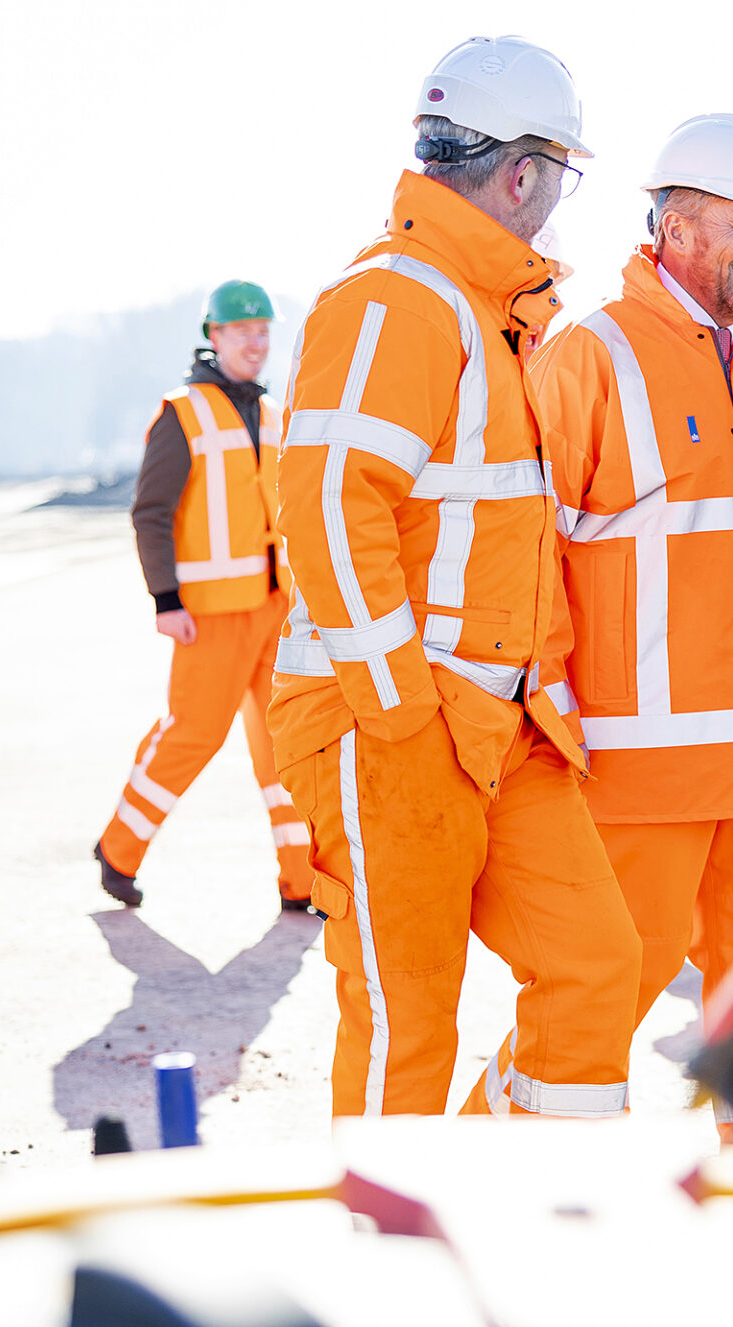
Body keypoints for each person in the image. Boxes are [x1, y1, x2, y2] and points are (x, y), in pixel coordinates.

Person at [267, 36, 641, 1119]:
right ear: (521, 173)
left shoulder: (495, 316)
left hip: (497, 722)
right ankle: (387, 1278)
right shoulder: (397, 300)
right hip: (390, 720)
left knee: (594, 968)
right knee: (406, 1016)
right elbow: (332, 507)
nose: (559, 197)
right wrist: (398, 712)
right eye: (561, 172)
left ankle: (517, 1222)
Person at [487, 113, 733, 1146]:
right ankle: (470, 1186)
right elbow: (524, 556)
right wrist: (552, 721)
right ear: (675, 224)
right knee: (589, 1021)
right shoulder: (591, 355)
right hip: (639, 775)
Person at [95, 280, 311, 912]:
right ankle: (118, 850)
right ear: (214, 338)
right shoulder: (180, 413)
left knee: (288, 745)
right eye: (243, 331)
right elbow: (151, 512)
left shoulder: (275, 416)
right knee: (192, 736)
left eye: (265, 330)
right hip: (210, 616)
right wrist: (166, 599)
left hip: (277, 610)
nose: (257, 342)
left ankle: (302, 879)